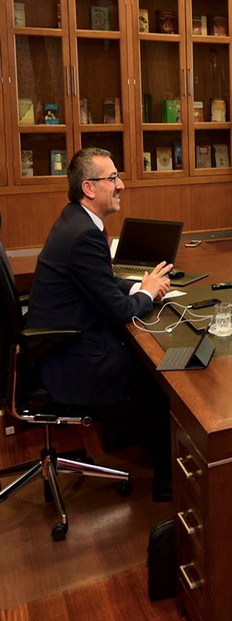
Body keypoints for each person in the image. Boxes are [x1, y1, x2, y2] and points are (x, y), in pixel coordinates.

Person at [26, 148, 173, 500]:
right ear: (89, 188)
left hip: (55, 346)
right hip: (71, 358)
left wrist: (139, 286)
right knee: (162, 377)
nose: (121, 185)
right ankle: (167, 485)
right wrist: (147, 293)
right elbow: (119, 311)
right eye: (113, 178)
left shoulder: (75, 220)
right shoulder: (84, 235)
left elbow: (100, 283)